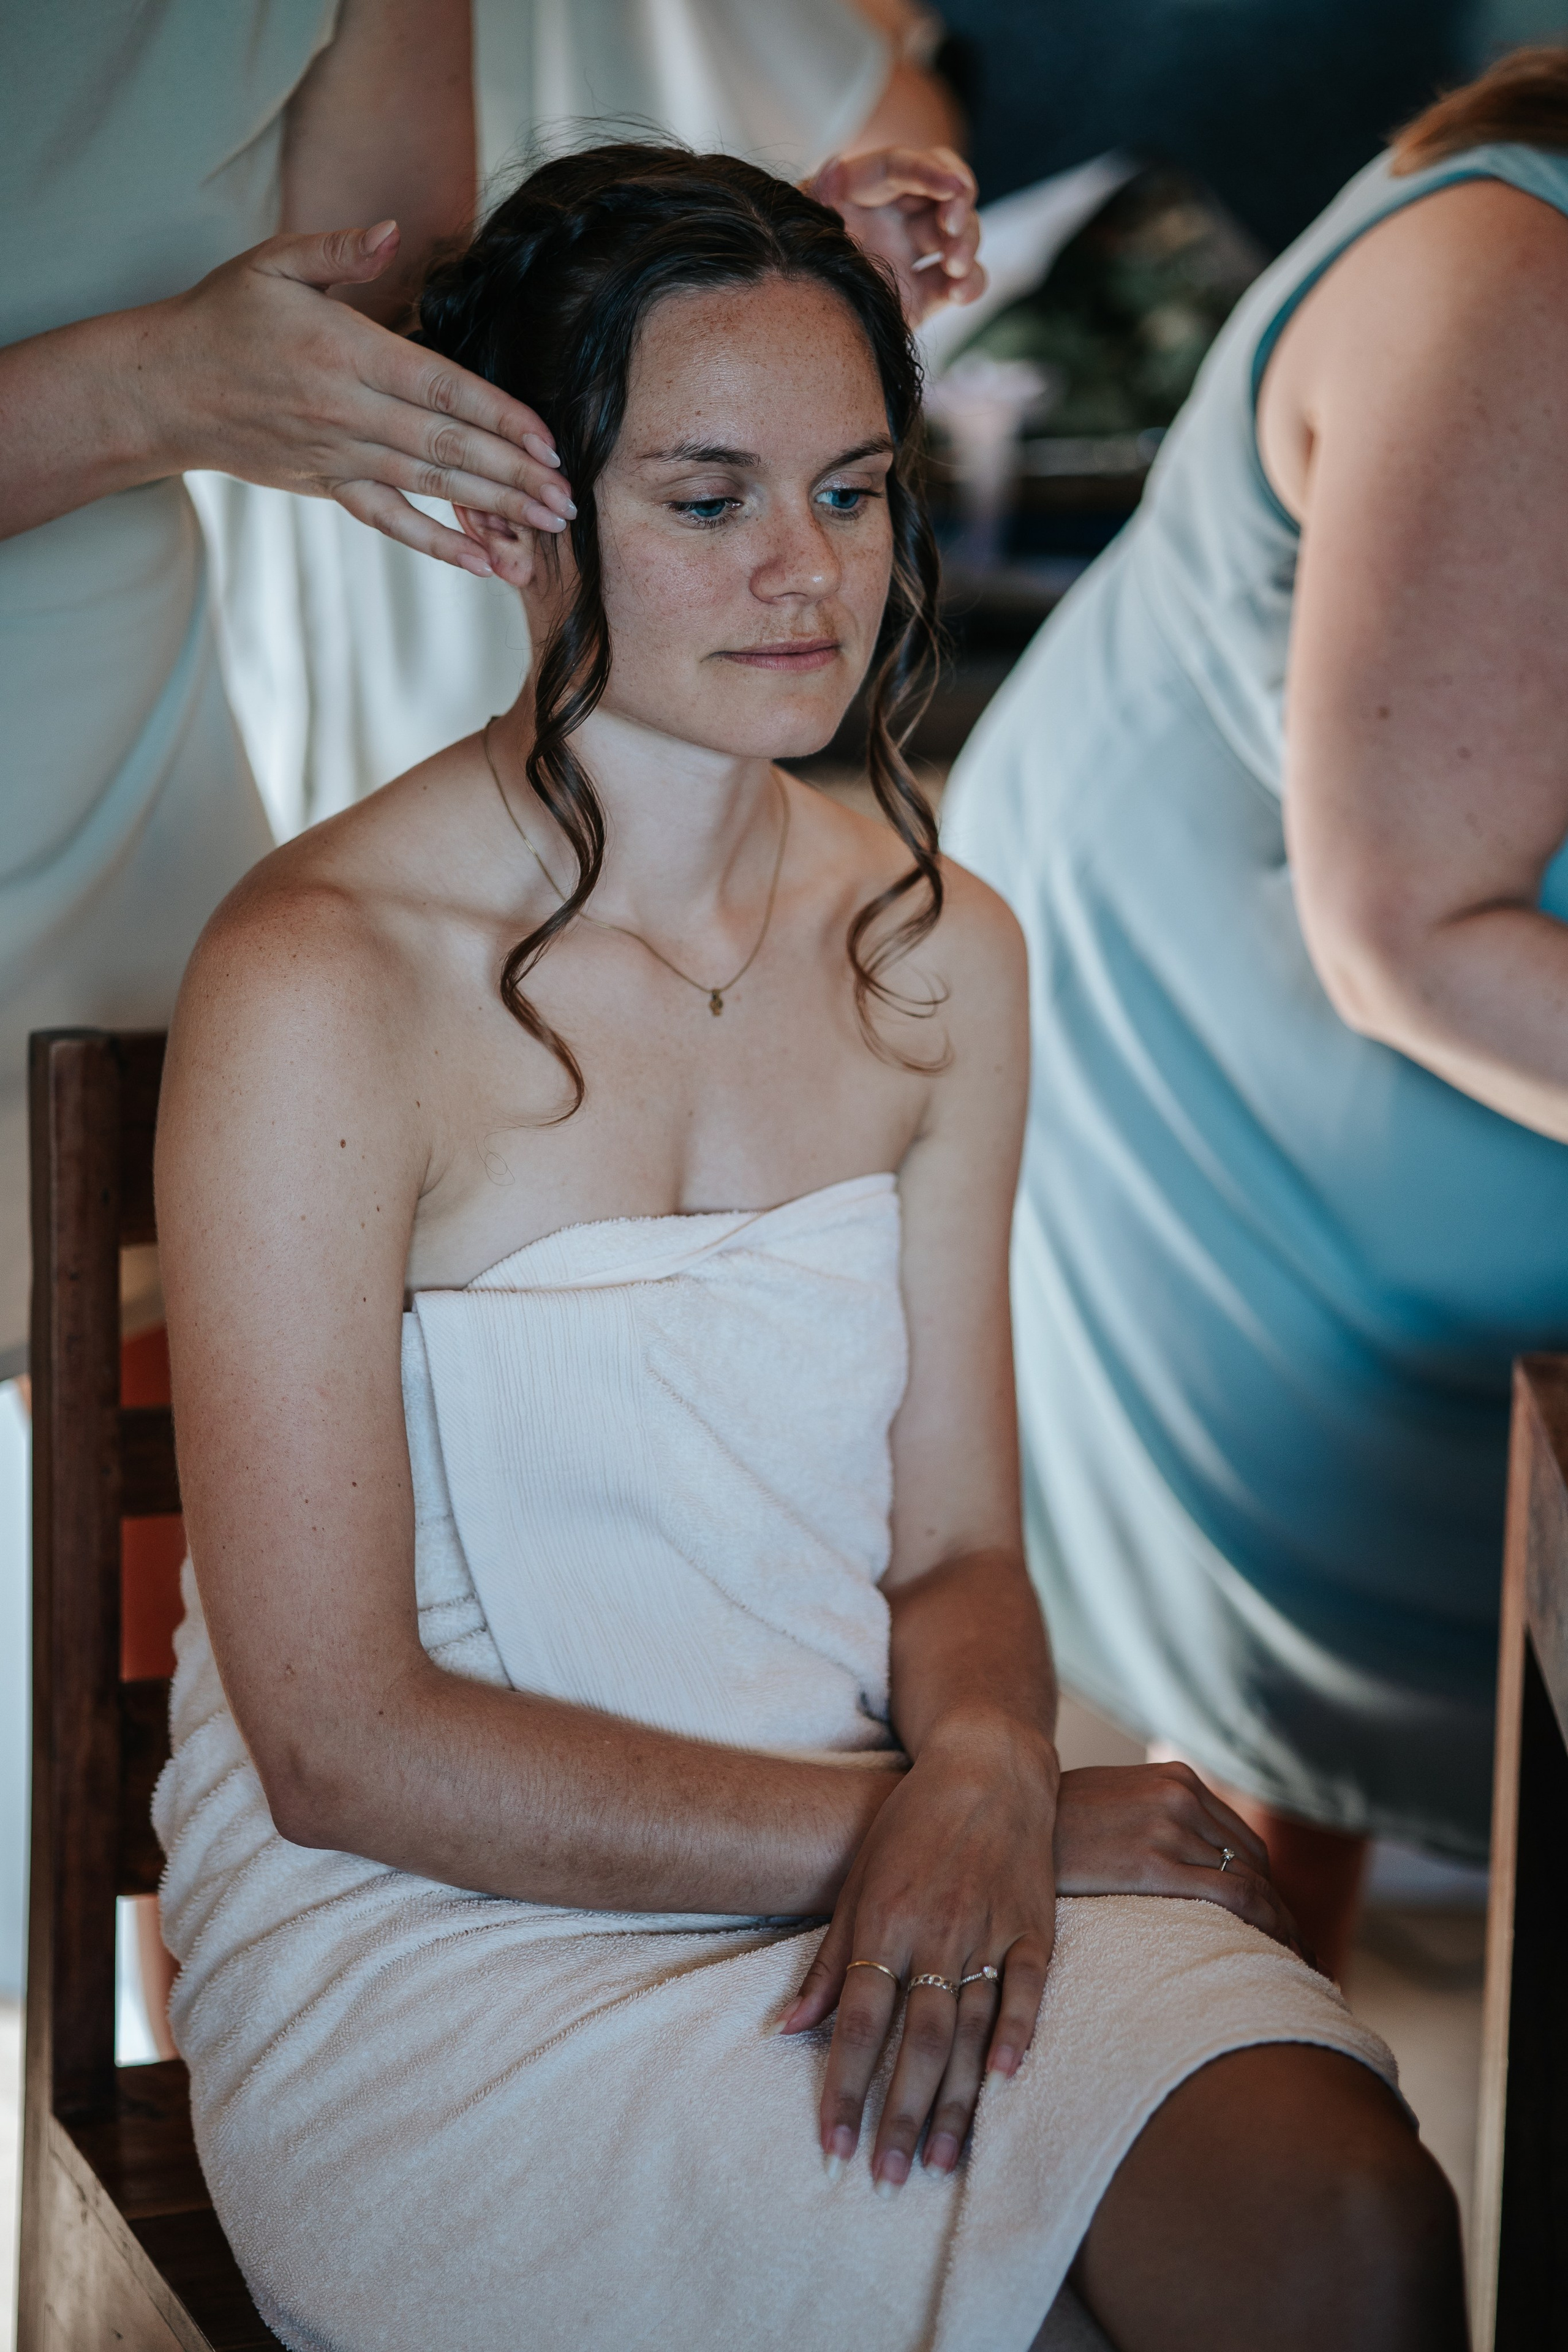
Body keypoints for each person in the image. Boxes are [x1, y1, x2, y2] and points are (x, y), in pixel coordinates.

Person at [153, 146, 1460, 2352]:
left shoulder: (943, 950)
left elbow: (958, 1549)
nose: (805, 575)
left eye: (852, 493)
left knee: (1345, 2226)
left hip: (881, 1819)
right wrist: (939, 1822)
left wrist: (982, 1772)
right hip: (445, 1955)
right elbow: (343, 1747)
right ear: (518, 510)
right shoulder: (321, 978)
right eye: (706, 498)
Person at [940, 43, 1568, 1980]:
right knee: (1259, 1852)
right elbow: (1413, 933)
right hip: (1227, 1134)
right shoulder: (1519, 292)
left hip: (1427, 1131)